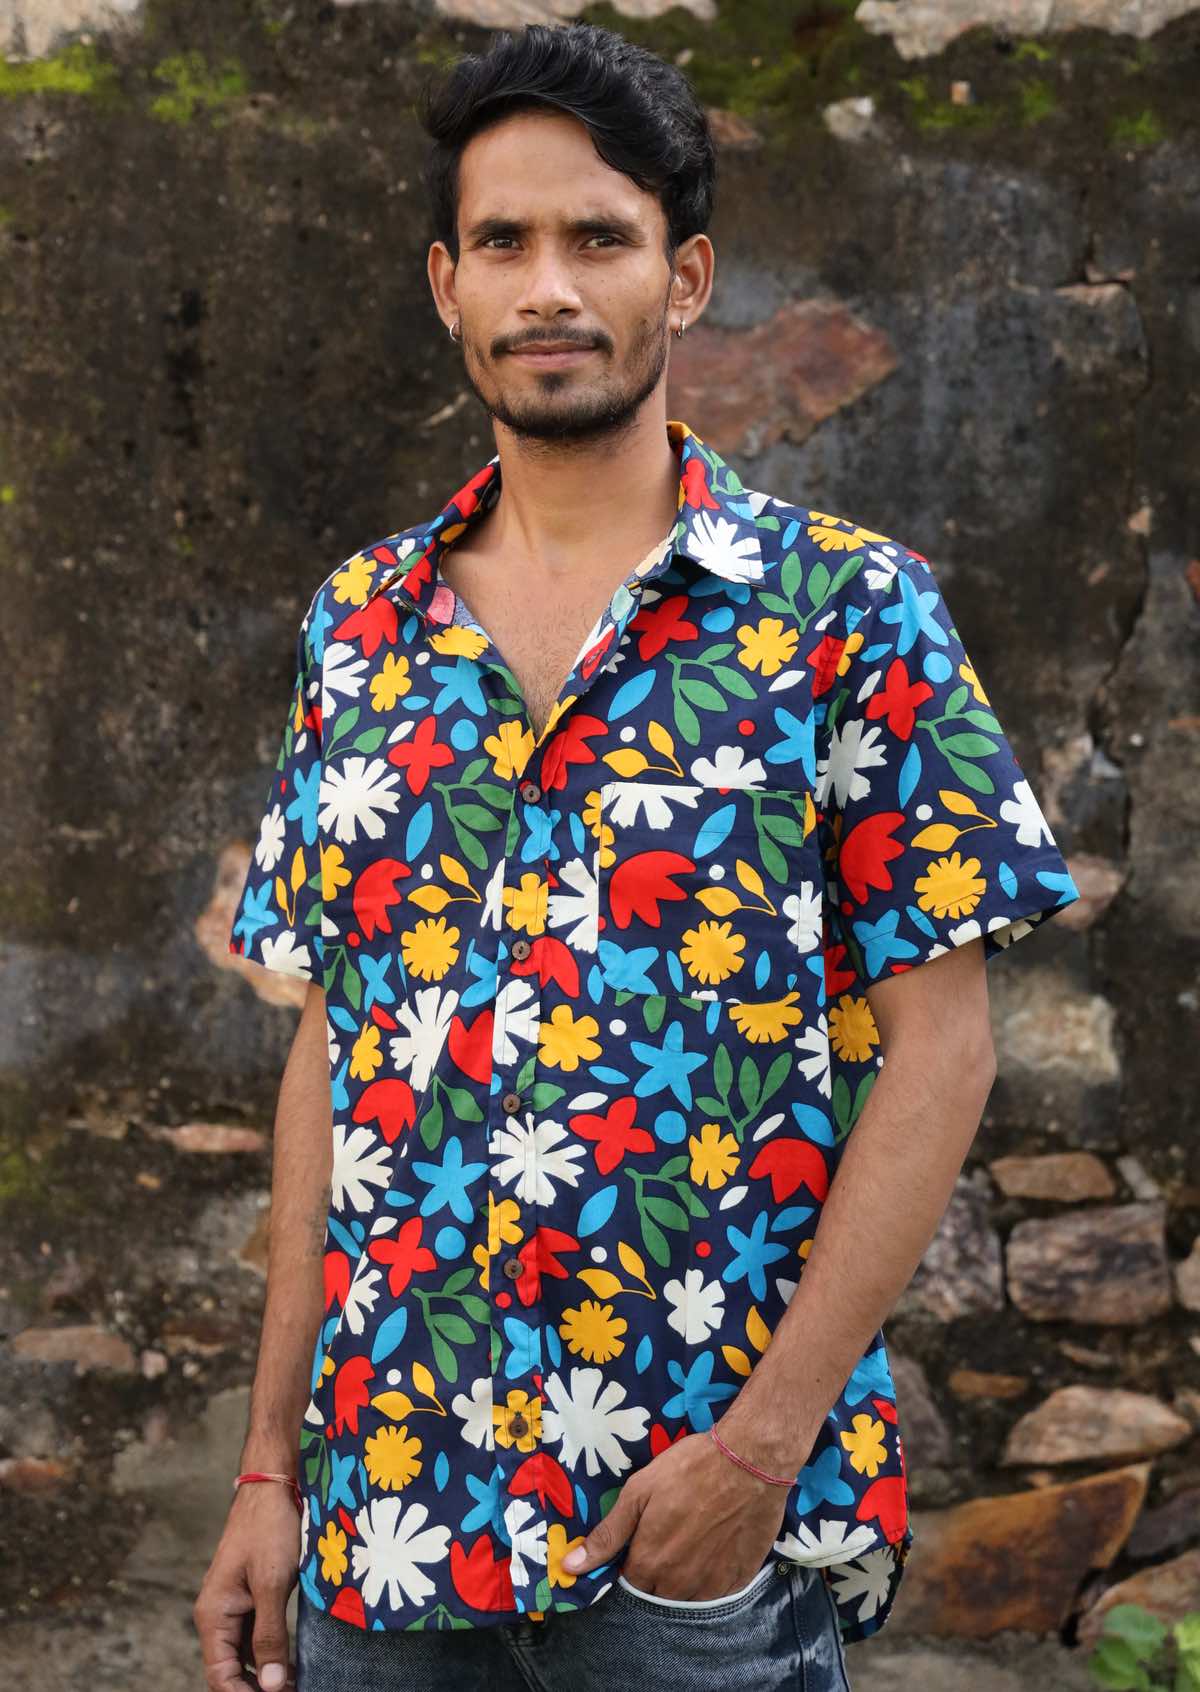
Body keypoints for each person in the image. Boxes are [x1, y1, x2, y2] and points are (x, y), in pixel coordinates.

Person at [195, 20, 1081, 1692]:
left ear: (684, 279)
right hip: (384, 1526)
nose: (549, 287)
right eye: (504, 243)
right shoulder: (359, 627)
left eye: (598, 238)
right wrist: (263, 1468)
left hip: (689, 1540)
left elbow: (945, 1051)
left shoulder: (848, 612)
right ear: (445, 284)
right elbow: (334, 1039)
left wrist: (758, 1453)